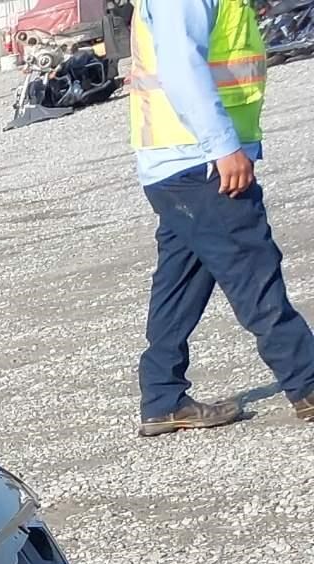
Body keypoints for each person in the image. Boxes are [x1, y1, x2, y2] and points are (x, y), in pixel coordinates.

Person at [126, 0, 314, 433]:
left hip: (174, 163)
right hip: (199, 161)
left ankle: (162, 396)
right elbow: (181, 67)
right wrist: (223, 145)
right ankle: (306, 382)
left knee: (181, 282)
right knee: (254, 271)